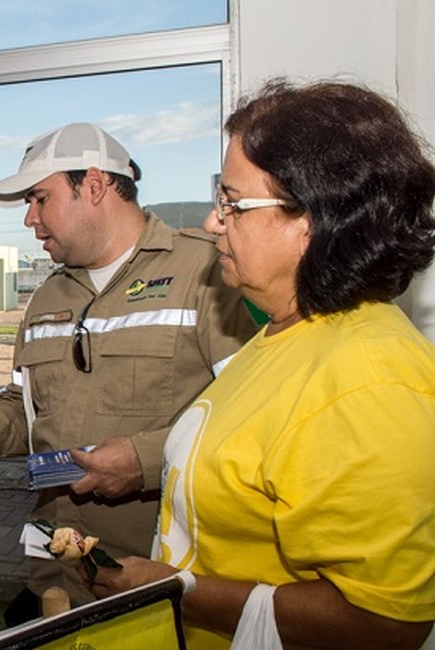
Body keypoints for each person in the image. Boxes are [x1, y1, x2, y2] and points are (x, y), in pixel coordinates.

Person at [89, 79, 435, 649]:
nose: (211, 222)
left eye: (232, 203)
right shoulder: (284, 334)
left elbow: (384, 623)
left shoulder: (368, 382)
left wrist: (179, 589)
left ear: (313, 219)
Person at [0, 122, 259, 614]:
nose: (30, 220)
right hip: (54, 576)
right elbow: (26, 408)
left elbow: (253, 417)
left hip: (155, 579)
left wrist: (145, 461)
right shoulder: (45, 298)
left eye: (40, 199)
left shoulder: (208, 274)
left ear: (96, 186)